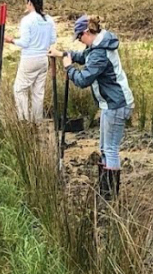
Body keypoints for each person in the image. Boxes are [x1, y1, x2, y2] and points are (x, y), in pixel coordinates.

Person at [49, 15, 134, 202]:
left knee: (110, 149)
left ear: (87, 32)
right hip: (109, 104)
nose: (80, 41)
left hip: (116, 105)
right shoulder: (98, 45)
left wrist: (69, 68)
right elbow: (83, 55)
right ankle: (105, 192)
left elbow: (82, 80)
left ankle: (110, 197)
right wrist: (63, 54)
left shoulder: (99, 53)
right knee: (104, 148)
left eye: (80, 37)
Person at [4, 0, 56, 121]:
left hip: (29, 58)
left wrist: (11, 40)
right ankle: (37, 120)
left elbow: (25, 42)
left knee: (19, 89)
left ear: (30, 3)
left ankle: (24, 119)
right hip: (43, 58)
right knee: (38, 92)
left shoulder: (27, 20)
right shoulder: (49, 20)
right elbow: (52, 39)